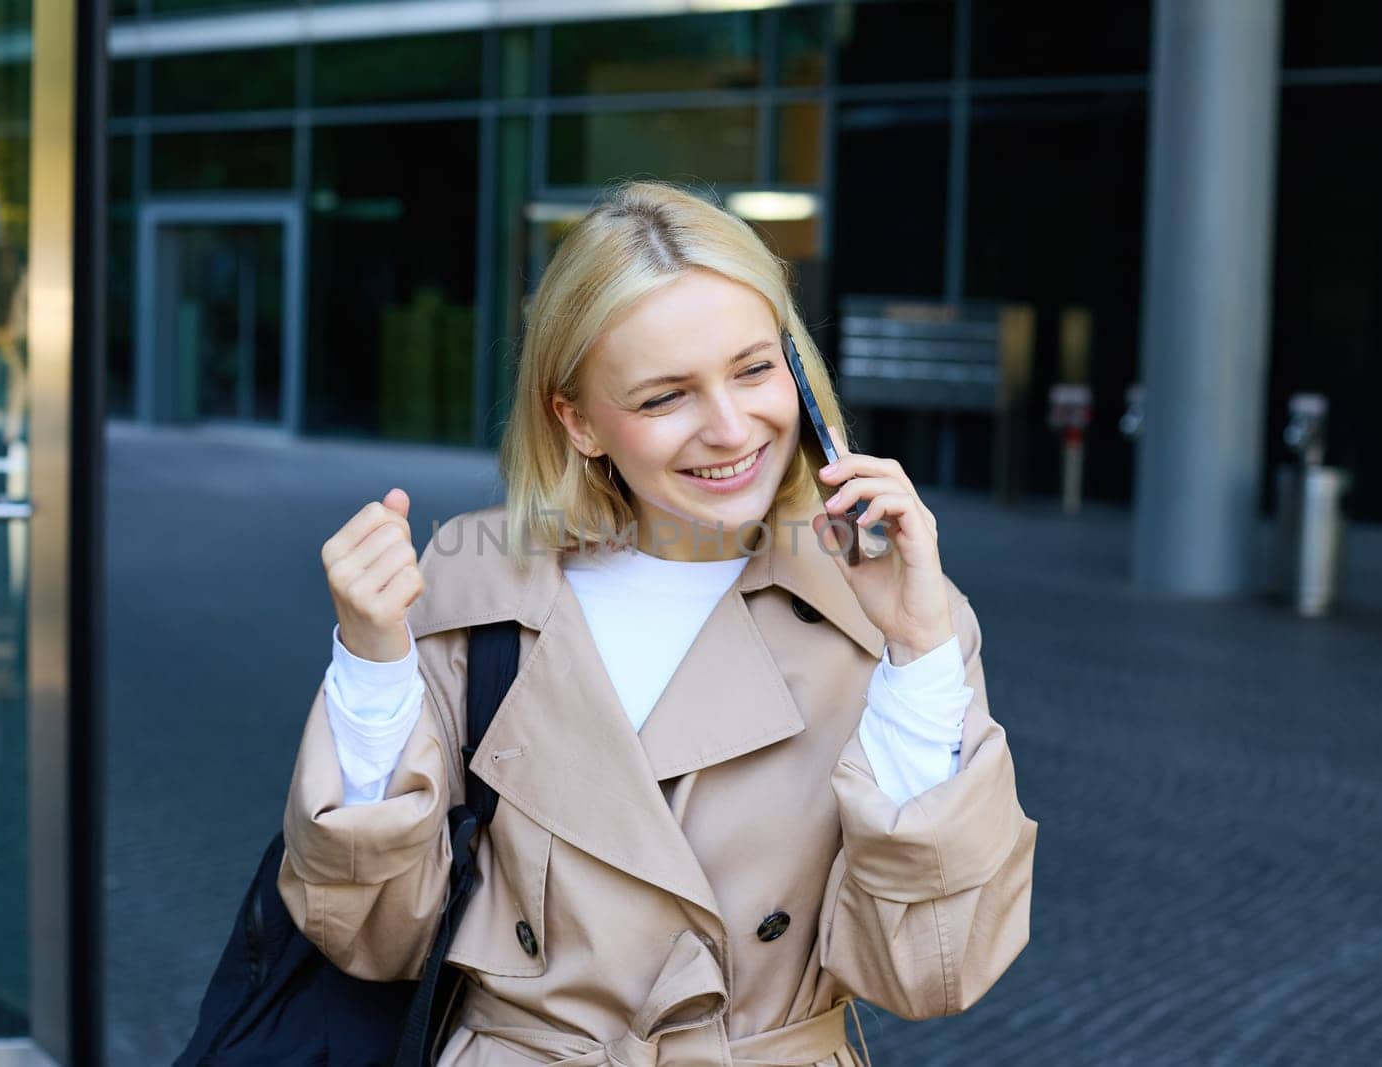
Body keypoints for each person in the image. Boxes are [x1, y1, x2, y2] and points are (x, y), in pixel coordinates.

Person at [280, 180, 1036, 1067]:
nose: (730, 428)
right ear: (579, 420)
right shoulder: (472, 581)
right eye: (664, 396)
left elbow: (931, 972)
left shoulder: (893, 605)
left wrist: (918, 651)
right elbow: (371, 934)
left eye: (755, 369)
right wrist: (370, 661)